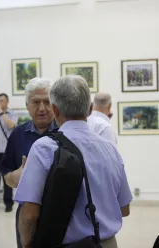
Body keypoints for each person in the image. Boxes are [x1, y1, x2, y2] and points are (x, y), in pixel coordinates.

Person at [14, 75, 132, 248]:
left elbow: (29, 215)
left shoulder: (44, 148)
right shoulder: (110, 149)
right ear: (90, 109)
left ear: (54, 109)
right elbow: (124, 209)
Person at [1, 77, 58, 248]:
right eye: (35, 102)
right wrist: (17, 176)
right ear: (27, 105)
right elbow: (6, 175)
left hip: (61, 212)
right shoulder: (18, 135)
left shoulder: (65, 132)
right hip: (27, 214)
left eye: (47, 102)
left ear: (55, 105)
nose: (42, 108)